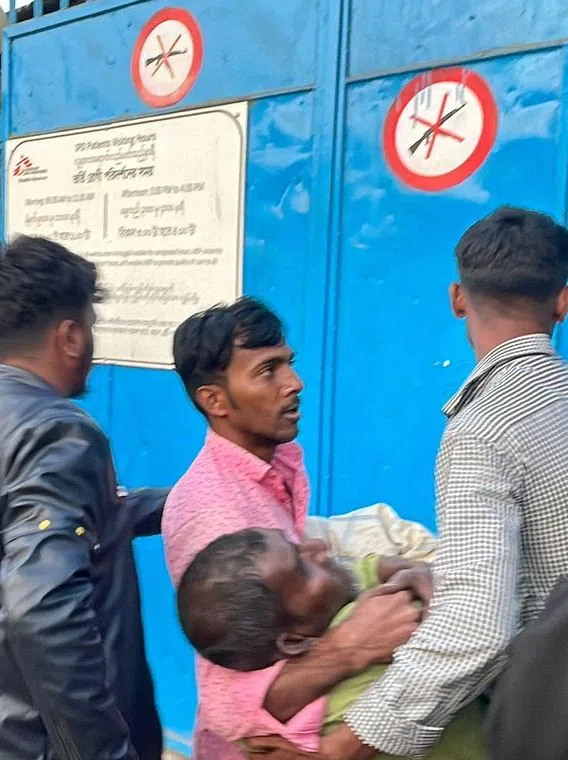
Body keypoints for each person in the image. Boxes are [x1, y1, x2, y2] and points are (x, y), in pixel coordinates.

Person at [297, 207, 568, 760]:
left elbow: (478, 631)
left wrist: (347, 743)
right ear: (563, 300)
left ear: (457, 299)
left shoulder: (483, 429)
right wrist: (442, 572)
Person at [0, 235, 168, 760]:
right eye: (91, 326)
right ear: (70, 335)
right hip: (24, 739)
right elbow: (44, 609)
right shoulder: (57, 430)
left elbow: (43, 527)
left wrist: (186, 501)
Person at [161, 297, 422, 760]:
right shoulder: (215, 512)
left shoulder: (267, 468)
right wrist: (351, 646)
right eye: (267, 371)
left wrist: (386, 566)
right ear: (215, 400)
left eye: (289, 364)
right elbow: (227, 701)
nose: (295, 383)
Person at [179, 528, 487, 760]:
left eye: (298, 547)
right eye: (303, 567)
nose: (319, 547)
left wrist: (411, 571)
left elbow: (366, 569)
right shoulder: (377, 624)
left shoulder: (321, 621)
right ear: (293, 641)